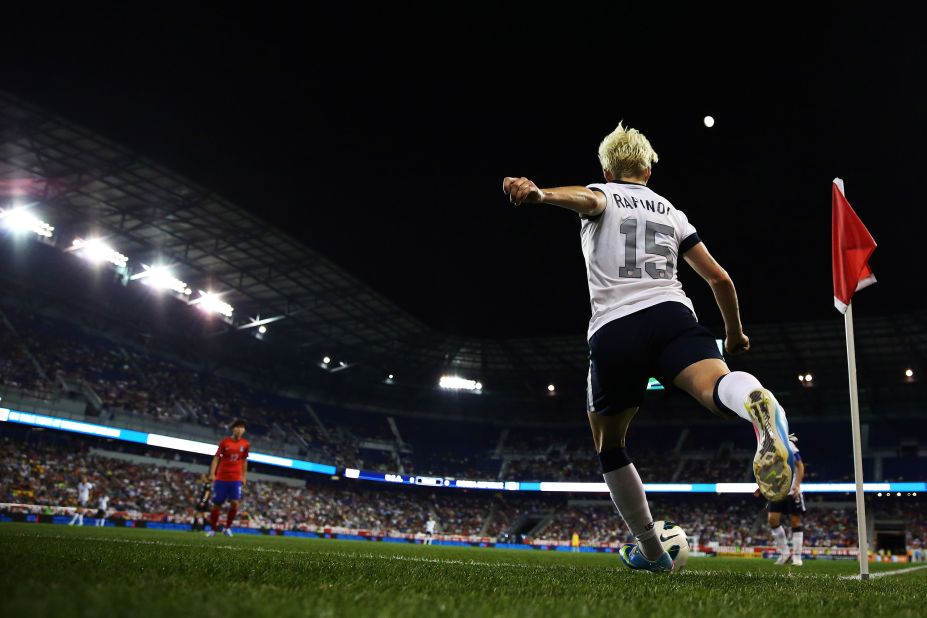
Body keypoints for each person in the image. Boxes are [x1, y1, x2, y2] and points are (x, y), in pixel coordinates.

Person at [502, 122, 796, 573]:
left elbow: (586, 199)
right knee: (717, 390)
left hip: (616, 328)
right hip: (672, 315)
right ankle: (756, 401)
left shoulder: (604, 193)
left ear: (606, 168)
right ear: (648, 169)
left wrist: (541, 195)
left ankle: (652, 551)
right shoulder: (672, 212)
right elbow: (720, 279)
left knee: (610, 443)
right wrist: (734, 334)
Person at [206, 420, 250, 538]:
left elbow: (244, 461)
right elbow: (216, 458)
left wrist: (244, 476)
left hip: (235, 478)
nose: (240, 430)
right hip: (222, 477)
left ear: (244, 430)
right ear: (233, 429)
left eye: (242, 428)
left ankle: (227, 528)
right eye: (237, 427)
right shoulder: (225, 442)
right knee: (217, 504)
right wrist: (212, 473)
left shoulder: (245, 444)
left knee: (235, 503)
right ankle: (213, 529)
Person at [768, 434, 806, 566]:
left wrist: (797, 485)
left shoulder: (789, 446)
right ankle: (785, 554)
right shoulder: (769, 448)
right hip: (777, 490)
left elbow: (800, 466)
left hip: (791, 490)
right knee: (772, 519)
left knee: (795, 521)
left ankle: (797, 556)